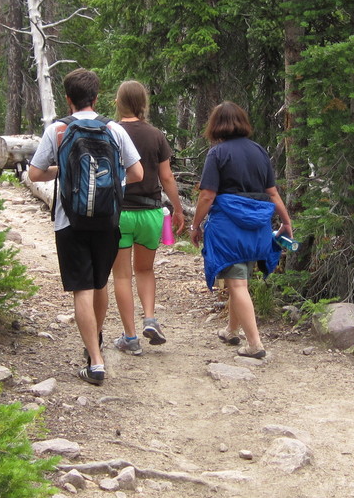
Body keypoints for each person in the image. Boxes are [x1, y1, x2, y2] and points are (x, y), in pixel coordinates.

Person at [28, 69, 143, 385]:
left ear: (68, 99)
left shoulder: (59, 130)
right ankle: (97, 340)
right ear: (96, 97)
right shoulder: (114, 130)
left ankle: (95, 362)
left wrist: (61, 169)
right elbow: (137, 173)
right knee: (99, 283)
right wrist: (111, 182)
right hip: (108, 219)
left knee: (81, 288)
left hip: (70, 221)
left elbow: (35, 175)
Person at [190, 101, 293, 360]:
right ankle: (231, 330)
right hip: (257, 227)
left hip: (229, 227)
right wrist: (286, 222)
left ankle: (254, 344)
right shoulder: (259, 151)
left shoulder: (217, 153)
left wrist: (196, 224)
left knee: (236, 283)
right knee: (241, 280)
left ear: (215, 125)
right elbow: (272, 193)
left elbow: (207, 195)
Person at [110, 81, 186, 356]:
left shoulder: (111, 131)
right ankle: (150, 318)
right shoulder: (156, 135)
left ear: (118, 102)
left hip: (119, 215)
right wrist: (178, 209)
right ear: (144, 103)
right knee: (145, 270)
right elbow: (166, 177)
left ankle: (130, 337)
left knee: (121, 275)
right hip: (151, 212)